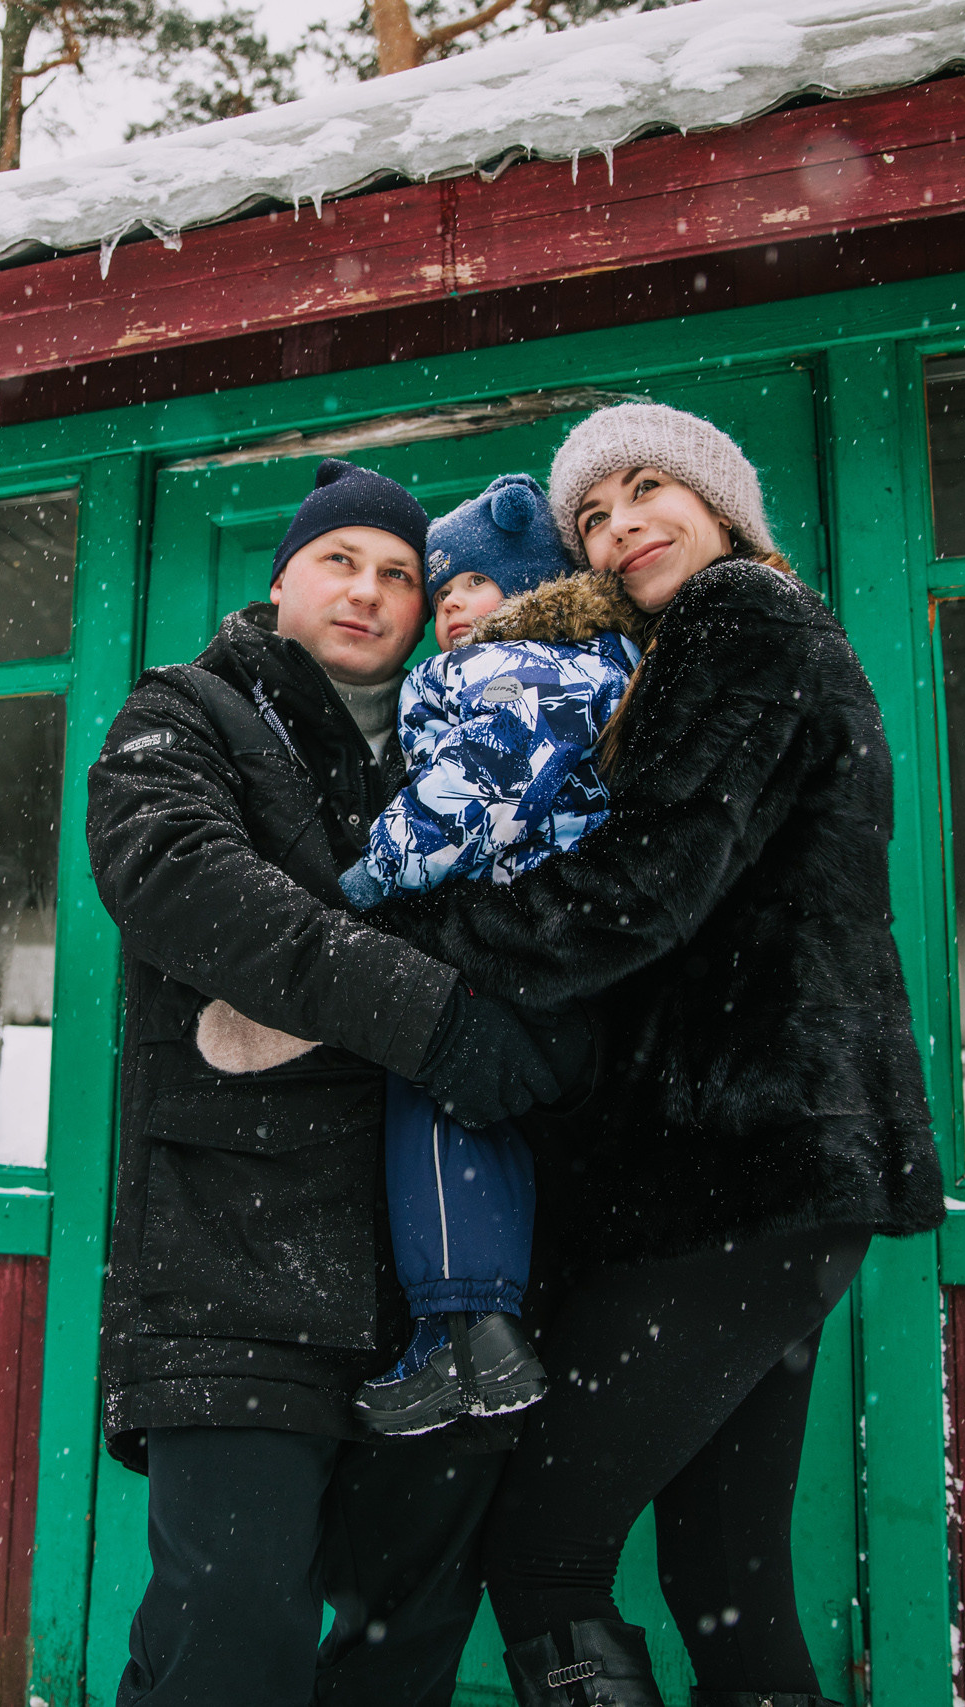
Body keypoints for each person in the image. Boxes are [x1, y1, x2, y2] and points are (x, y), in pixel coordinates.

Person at [372, 406, 947, 1707]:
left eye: (649, 490)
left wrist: (420, 931)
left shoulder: (738, 621)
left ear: (725, 504)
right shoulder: (739, 637)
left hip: (732, 1170)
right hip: (776, 1175)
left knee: (546, 1551)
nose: (622, 523)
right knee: (722, 1567)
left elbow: (641, 885)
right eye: (594, 514)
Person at [85, 458, 586, 1707]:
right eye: (338, 562)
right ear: (281, 578)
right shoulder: (186, 713)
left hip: (444, 1283)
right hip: (234, 1260)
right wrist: (437, 1019)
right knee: (227, 1641)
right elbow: (181, 882)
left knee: (401, 1652)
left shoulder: (480, 733)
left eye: (399, 575)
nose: (367, 592)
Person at [337, 474, 650, 1438]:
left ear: (532, 584)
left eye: (475, 582)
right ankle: (474, 1335)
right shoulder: (579, 667)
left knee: (433, 1092)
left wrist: (369, 874)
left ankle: (465, 1327)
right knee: (474, 1120)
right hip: (547, 956)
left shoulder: (523, 671)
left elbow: (471, 793)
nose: (454, 608)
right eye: (443, 595)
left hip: (512, 940)